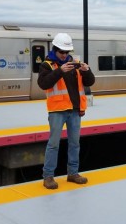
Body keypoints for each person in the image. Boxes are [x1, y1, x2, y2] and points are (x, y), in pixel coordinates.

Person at [38, 32, 95, 189]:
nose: (64, 55)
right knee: (53, 144)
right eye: (61, 52)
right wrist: (59, 71)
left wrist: (86, 71)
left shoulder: (75, 63)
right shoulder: (47, 65)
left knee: (75, 143)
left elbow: (90, 82)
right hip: (57, 110)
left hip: (74, 111)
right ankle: (48, 176)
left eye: (66, 52)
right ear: (55, 50)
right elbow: (43, 84)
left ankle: (73, 173)